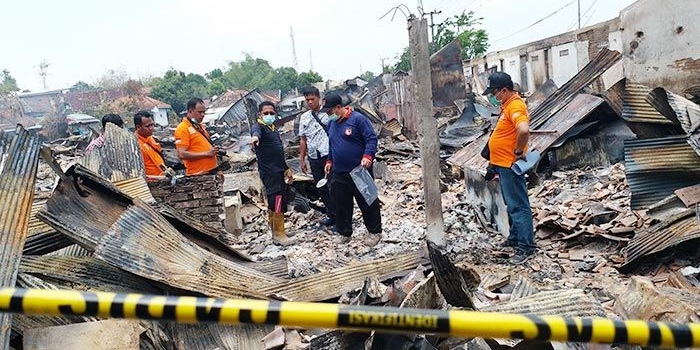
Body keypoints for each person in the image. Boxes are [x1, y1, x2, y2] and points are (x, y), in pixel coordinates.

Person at [482, 71, 536, 265]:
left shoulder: (515, 106)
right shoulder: (507, 105)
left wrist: (519, 151)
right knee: (511, 205)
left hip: (510, 165)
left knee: (518, 206)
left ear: (504, 90)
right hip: (502, 165)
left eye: (494, 93)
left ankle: (526, 247)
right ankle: (515, 238)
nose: (493, 97)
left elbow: (523, 129)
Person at [322, 93, 382, 246]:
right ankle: (344, 233)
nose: (329, 115)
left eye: (330, 111)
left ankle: (375, 232)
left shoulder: (358, 120)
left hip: (359, 170)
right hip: (339, 172)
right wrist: (329, 160)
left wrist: (368, 156)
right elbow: (332, 144)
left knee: (368, 202)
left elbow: (371, 139)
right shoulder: (331, 124)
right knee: (341, 204)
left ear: (338, 107)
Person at [250, 101, 295, 246]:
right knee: (277, 201)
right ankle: (278, 234)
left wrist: (286, 168)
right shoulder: (259, 127)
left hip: (278, 170)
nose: (269, 115)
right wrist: (255, 138)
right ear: (260, 114)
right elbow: (256, 133)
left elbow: (278, 153)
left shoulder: (272, 128)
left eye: (271, 113)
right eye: (266, 113)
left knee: (277, 200)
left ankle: (278, 229)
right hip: (270, 173)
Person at [298, 86, 337, 227]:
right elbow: (303, 139)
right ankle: (332, 215)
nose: (309, 102)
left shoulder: (329, 114)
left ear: (318, 98)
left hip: (329, 155)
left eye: (312, 99)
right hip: (314, 158)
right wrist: (302, 159)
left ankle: (342, 217)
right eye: (307, 100)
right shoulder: (304, 118)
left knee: (334, 187)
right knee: (322, 188)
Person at [174, 98, 219, 177]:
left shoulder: (199, 126)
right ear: (190, 111)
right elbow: (182, 154)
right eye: (200, 112)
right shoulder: (182, 128)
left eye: (204, 112)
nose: (202, 115)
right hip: (198, 174)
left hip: (211, 171)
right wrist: (206, 154)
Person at [134, 110, 175, 180]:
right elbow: (137, 173)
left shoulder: (151, 138)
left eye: (152, 125)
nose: (151, 128)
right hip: (152, 183)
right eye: (147, 126)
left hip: (163, 178)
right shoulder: (135, 145)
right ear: (138, 127)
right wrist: (159, 177)